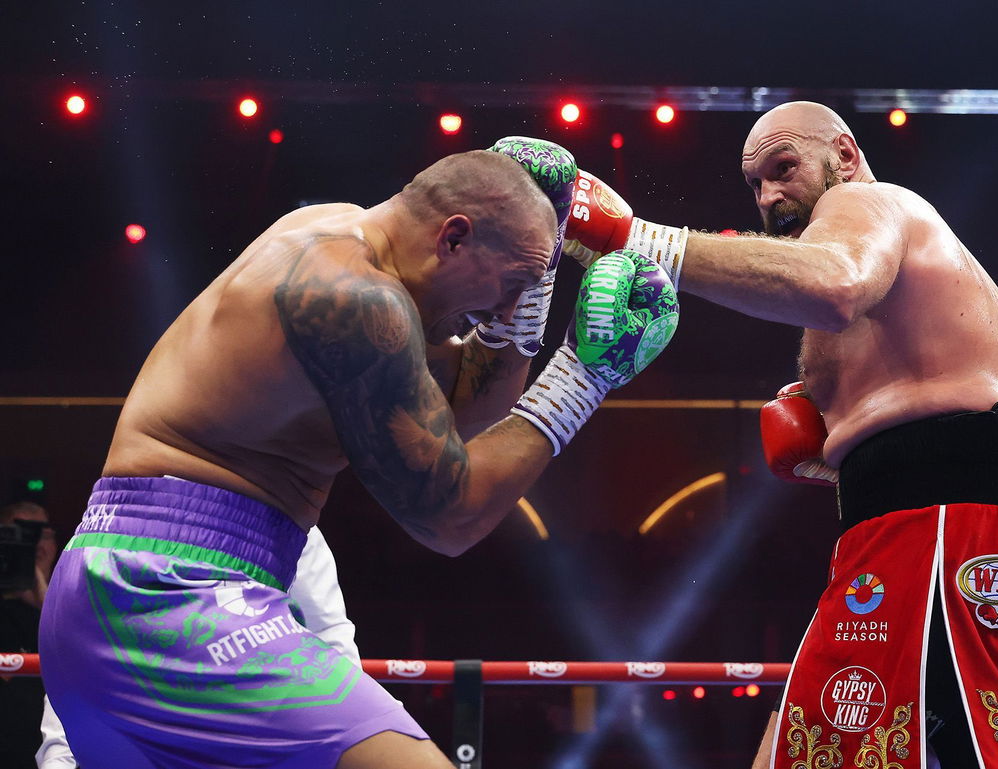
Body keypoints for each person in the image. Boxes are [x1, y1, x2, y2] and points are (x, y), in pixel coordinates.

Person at [564, 102, 998, 769]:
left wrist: (636, 238)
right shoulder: (870, 266)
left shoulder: (866, 204)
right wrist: (835, 449)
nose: (769, 194)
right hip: (952, 507)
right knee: (841, 729)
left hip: (948, 517)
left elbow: (835, 284)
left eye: (783, 167)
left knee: (888, 728)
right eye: (754, 184)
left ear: (842, 154)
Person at [38, 138, 678, 769]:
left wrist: (531, 290)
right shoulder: (350, 300)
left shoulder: (338, 240)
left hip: (138, 582)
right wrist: (582, 380)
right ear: (453, 238)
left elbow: (457, 405)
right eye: (512, 283)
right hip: (166, 592)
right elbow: (450, 518)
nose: (504, 308)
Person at [37, 526, 359, 768]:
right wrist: (58, 755)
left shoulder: (292, 525)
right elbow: (84, 642)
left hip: (256, 726)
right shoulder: (125, 517)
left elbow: (327, 632)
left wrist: (353, 731)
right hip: (143, 723)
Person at [0, 501, 57, 768]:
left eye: (42, 535)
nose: (35, 546)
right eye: (22, 536)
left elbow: (69, 653)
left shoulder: (75, 594)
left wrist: (41, 592)